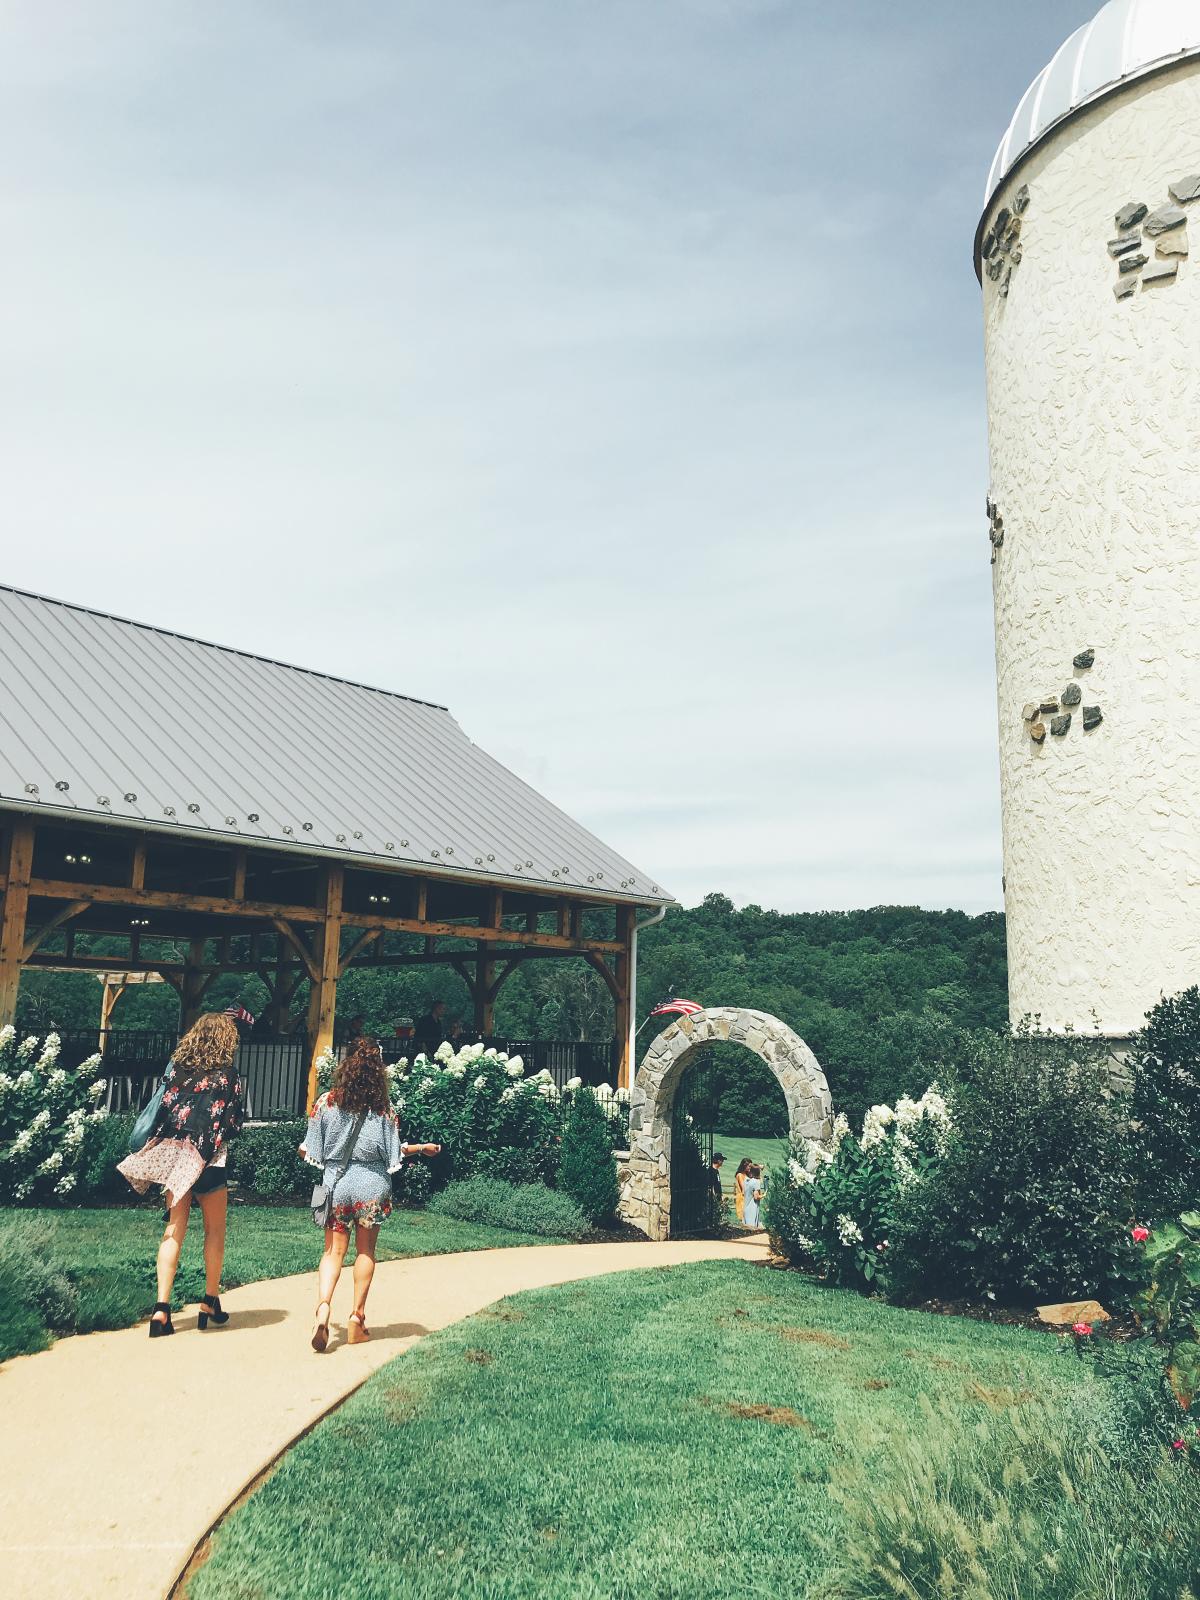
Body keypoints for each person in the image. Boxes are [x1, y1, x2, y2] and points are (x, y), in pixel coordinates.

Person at [303, 1037, 440, 1352]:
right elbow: (393, 1154)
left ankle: (323, 1308)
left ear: (345, 1065)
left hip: (332, 1186)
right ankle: (357, 1317)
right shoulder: (384, 1109)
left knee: (331, 1253)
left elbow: (309, 1151)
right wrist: (421, 1149)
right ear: (378, 1071)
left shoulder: (326, 1102)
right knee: (365, 1252)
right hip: (371, 1185)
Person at [116, 1011, 245, 1338]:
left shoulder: (175, 1070)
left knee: (174, 1229)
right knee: (215, 1231)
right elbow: (234, 1124)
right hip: (209, 1160)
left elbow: (160, 1111)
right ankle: (209, 1302)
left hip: (176, 1161)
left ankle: (161, 1309)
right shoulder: (228, 1076)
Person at [742, 1164, 765, 1229]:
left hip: (746, 1209)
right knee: (752, 1230)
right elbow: (756, 1197)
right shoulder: (756, 1182)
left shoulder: (746, 1180)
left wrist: (758, 1167)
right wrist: (763, 1195)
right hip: (752, 1210)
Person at [733, 1157, 753, 1224]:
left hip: (748, 1197)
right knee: (744, 1218)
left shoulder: (747, 1174)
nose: (750, 1168)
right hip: (742, 1197)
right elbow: (744, 1187)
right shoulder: (740, 1175)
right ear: (744, 1165)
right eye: (749, 1166)